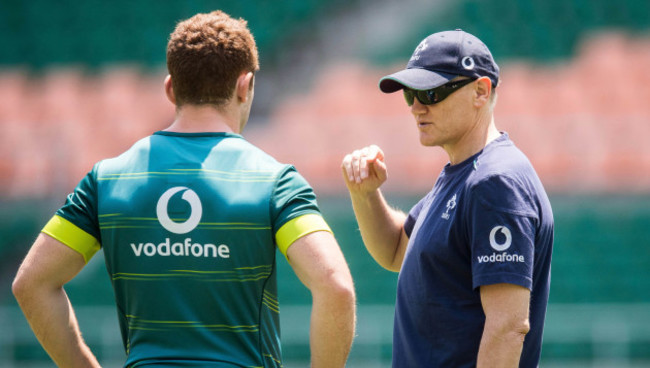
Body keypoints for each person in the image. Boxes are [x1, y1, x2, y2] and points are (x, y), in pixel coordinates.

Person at [12, 10, 356, 368]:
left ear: (170, 87)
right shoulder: (275, 182)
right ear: (245, 85)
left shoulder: (106, 179)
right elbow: (336, 286)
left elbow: (31, 283)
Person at [341, 30, 553, 367]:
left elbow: (509, 326)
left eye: (432, 92)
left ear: (480, 91)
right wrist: (365, 195)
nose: (416, 107)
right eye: (410, 94)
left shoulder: (495, 181)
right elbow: (396, 249)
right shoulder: (464, 174)